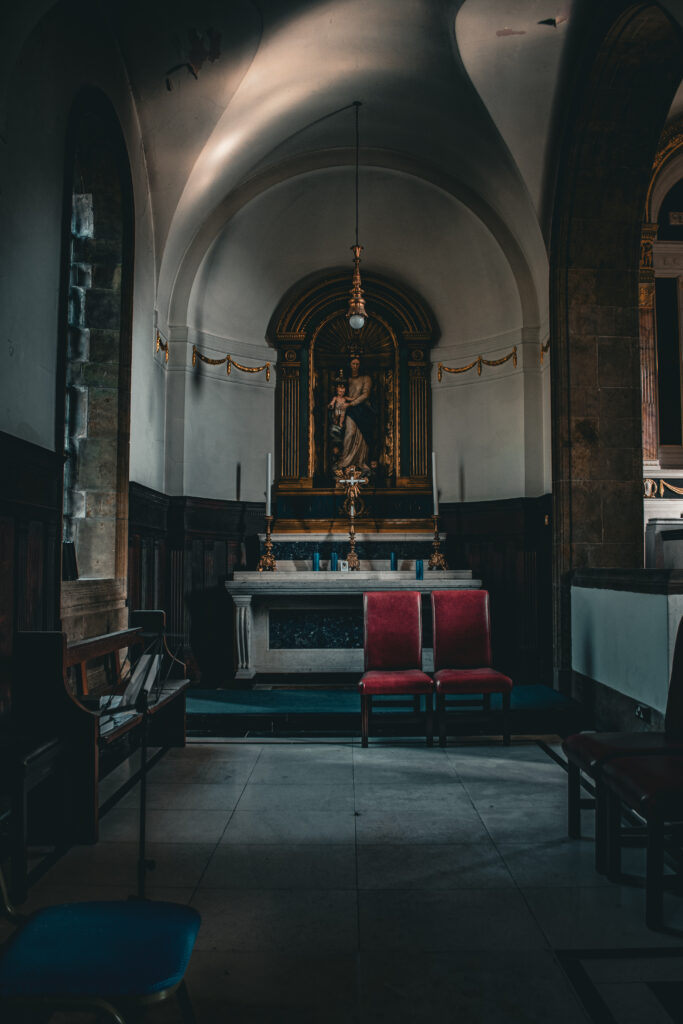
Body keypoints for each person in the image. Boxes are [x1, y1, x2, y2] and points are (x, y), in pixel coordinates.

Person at [335, 354, 375, 473]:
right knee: (350, 433)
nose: (355, 366)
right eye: (353, 363)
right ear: (349, 364)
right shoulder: (346, 379)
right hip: (350, 411)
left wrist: (351, 403)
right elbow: (340, 393)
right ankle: (345, 461)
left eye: (357, 364)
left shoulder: (366, 378)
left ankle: (360, 461)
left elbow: (365, 395)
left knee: (362, 436)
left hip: (363, 410)